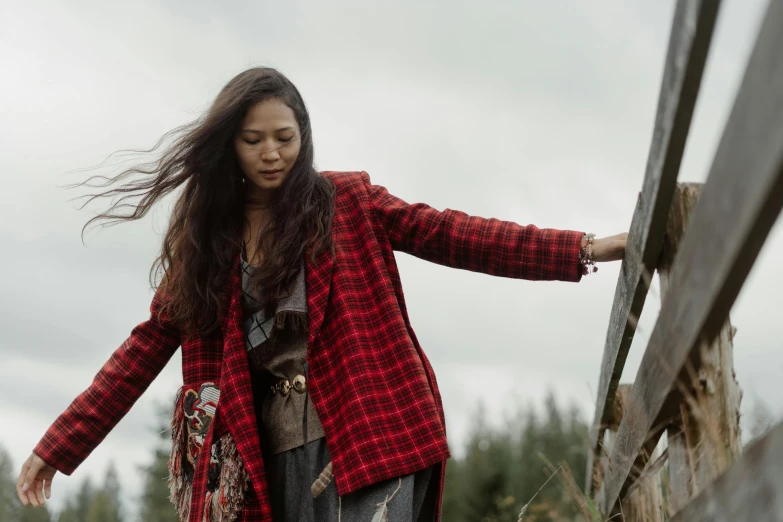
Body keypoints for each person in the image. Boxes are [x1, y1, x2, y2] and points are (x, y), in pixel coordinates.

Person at [16, 67, 627, 522]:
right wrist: (61, 445)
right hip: (269, 453)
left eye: (284, 136)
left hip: (371, 429)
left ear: (304, 135)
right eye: (253, 139)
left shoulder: (348, 203)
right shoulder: (210, 247)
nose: (272, 152)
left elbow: (453, 234)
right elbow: (143, 349)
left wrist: (585, 248)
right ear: (230, 144)